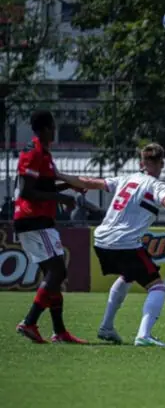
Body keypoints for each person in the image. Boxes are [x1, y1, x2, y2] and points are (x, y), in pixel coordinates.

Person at [56, 143, 165, 347]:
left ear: (141, 163)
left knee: (128, 276)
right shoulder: (156, 185)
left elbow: (88, 181)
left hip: (101, 240)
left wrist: (59, 174)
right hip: (124, 243)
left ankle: (106, 327)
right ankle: (144, 335)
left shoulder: (125, 179)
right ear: (162, 163)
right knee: (158, 287)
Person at [15, 110, 86, 344]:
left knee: (54, 274)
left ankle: (60, 332)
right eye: (53, 127)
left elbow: (44, 187)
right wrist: (61, 199)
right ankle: (29, 322)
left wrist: (67, 187)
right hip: (33, 220)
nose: (54, 131)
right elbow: (27, 191)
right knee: (57, 271)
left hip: (39, 220)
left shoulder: (43, 153)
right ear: (45, 129)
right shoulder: (33, 153)